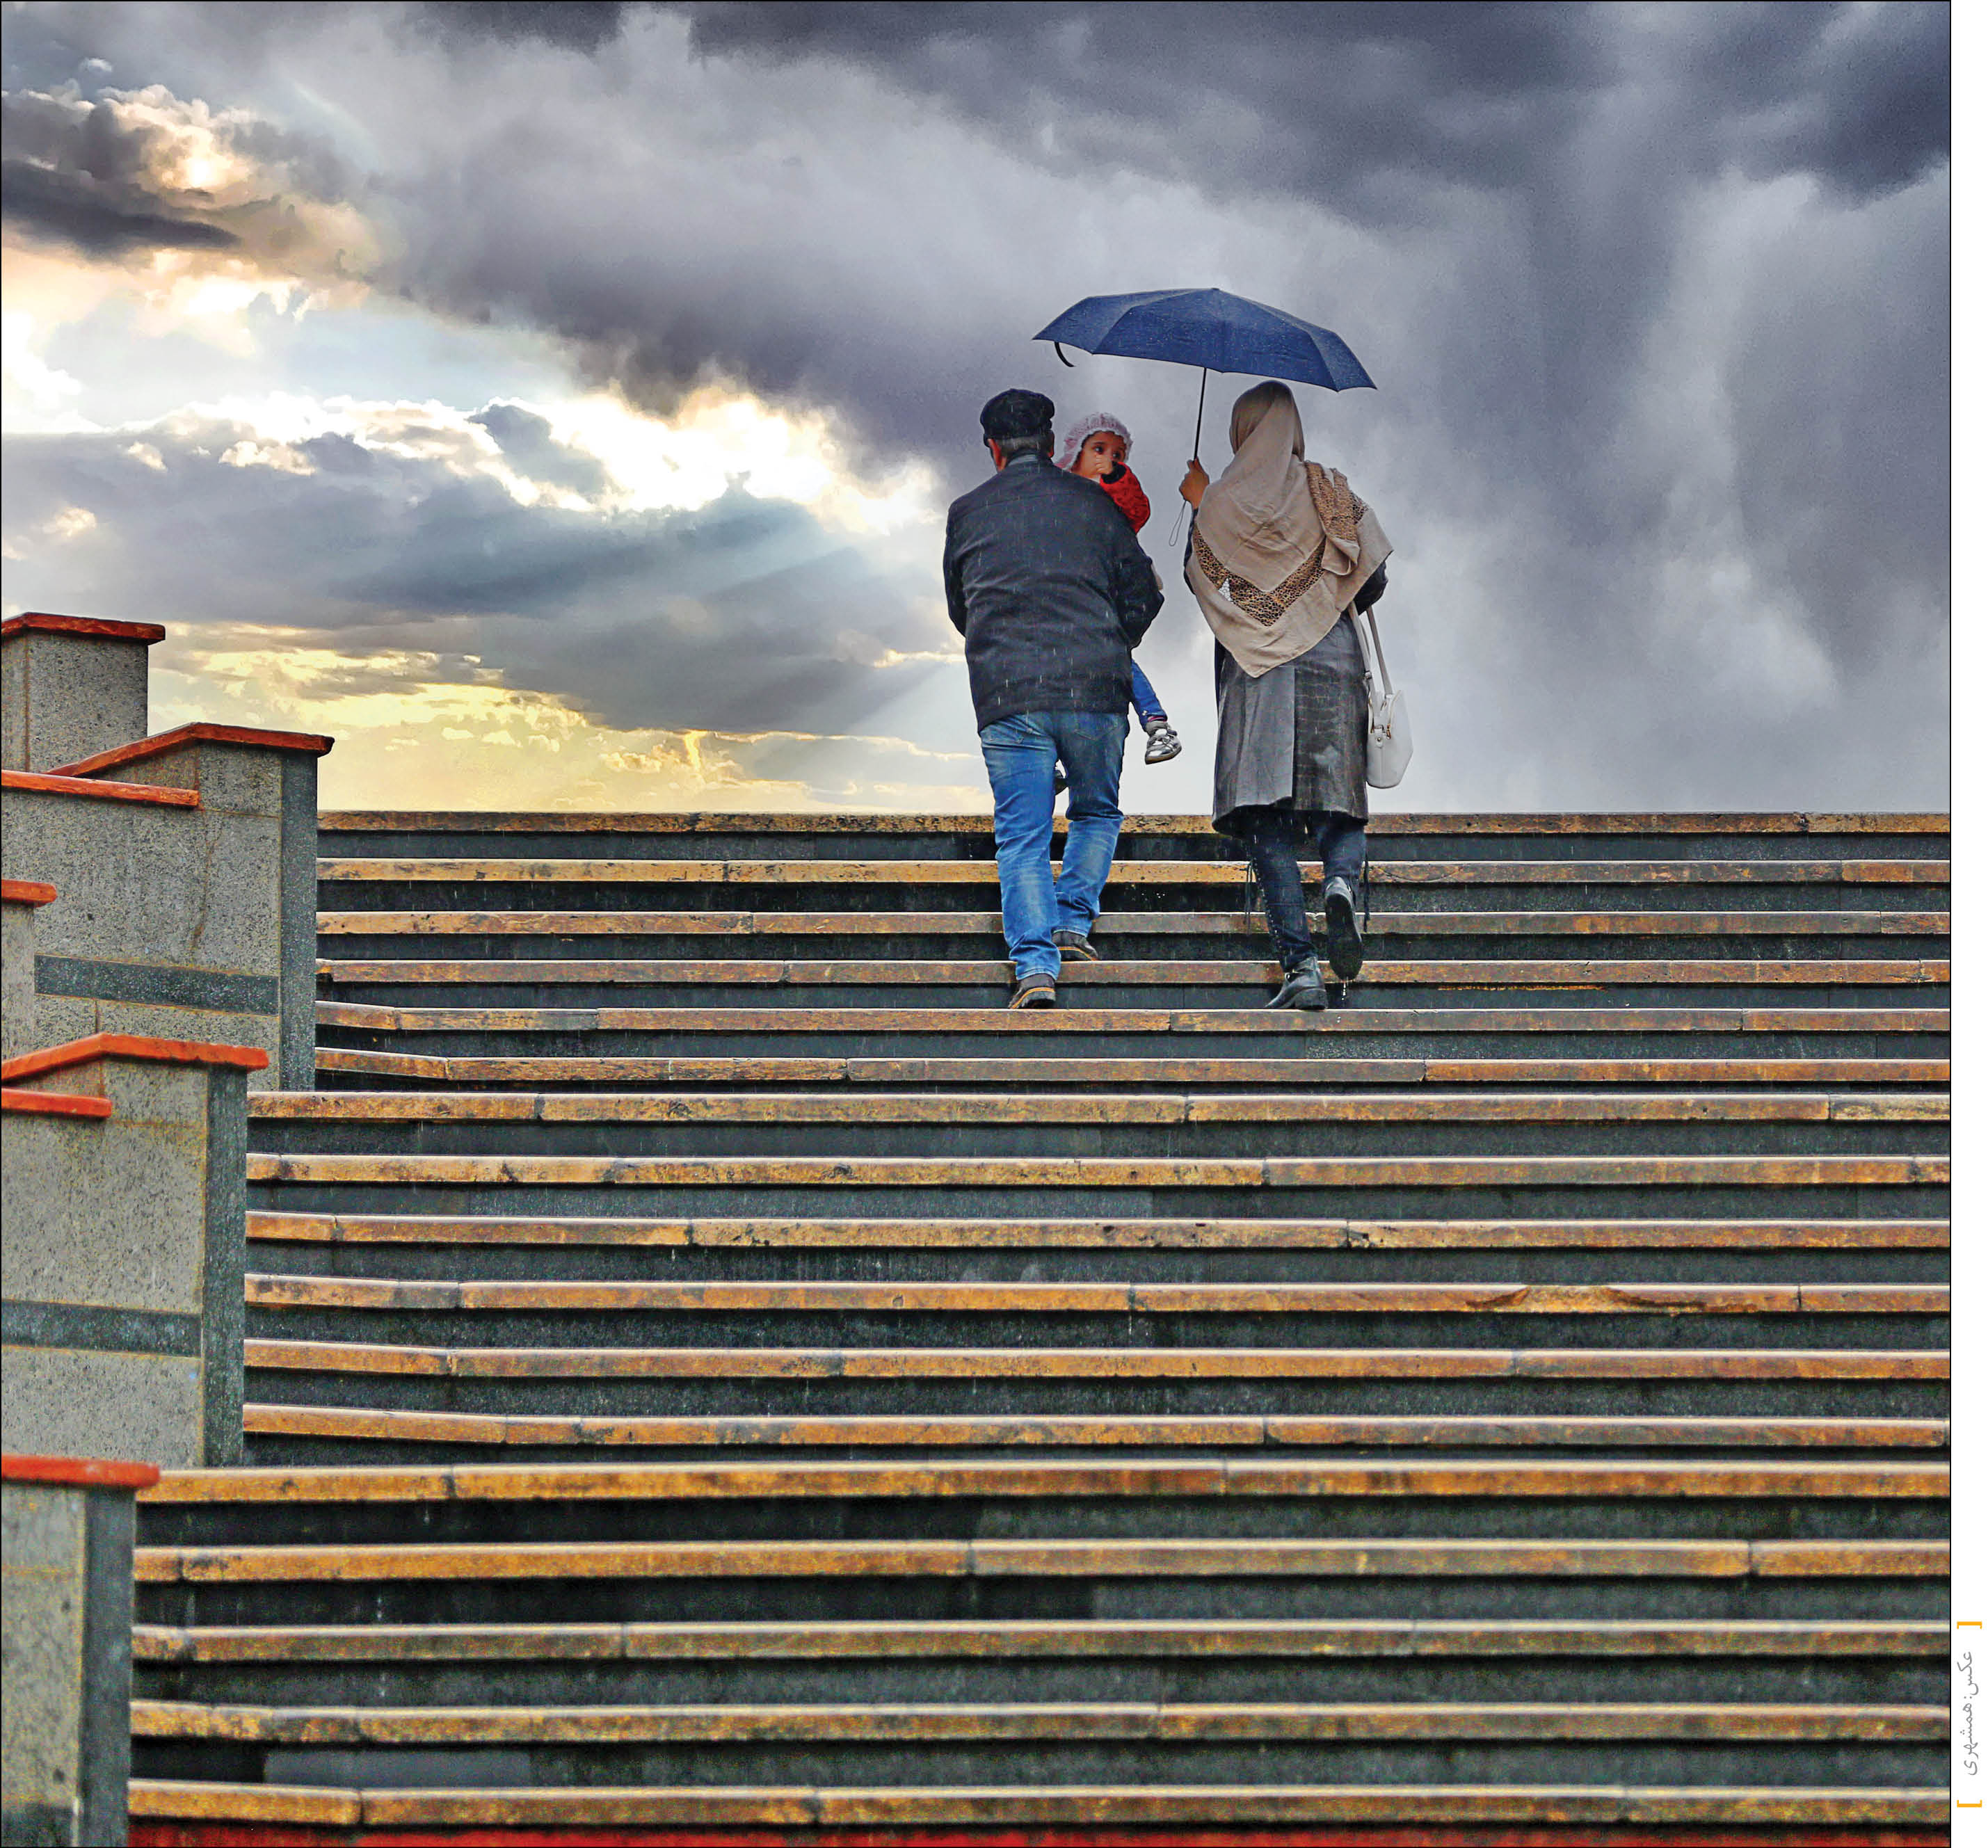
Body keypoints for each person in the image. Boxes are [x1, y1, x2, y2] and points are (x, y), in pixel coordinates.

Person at [943, 387, 1164, 1007]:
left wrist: (1007, 647)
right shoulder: (1096, 505)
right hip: (1095, 686)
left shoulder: (967, 511)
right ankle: (1072, 923)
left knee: (1022, 835)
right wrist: (1111, 643)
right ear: (1049, 443)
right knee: (1096, 811)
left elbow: (962, 607)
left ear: (994, 450)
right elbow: (1144, 594)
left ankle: (1036, 969)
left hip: (1007, 692)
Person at [1179, 380, 1392, 1009]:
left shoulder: (1220, 500)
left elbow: (1203, 585)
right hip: (1331, 663)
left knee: (1263, 816)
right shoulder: (1329, 487)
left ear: (1241, 432)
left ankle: (1301, 967)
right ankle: (1342, 886)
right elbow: (1372, 578)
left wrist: (1202, 503)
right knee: (1339, 805)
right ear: (1294, 428)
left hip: (1258, 676)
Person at [1057, 412, 1182, 764]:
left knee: (1115, 653)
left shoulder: (1116, 494)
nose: (1108, 457)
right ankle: (1156, 723)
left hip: (1104, 588)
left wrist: (1114, 477)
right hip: (1068, 589)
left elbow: (1139, 511)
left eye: (1118, 453)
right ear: (1076, 451)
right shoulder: (1055, 490)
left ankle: (1156, 723)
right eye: (1099, 448)